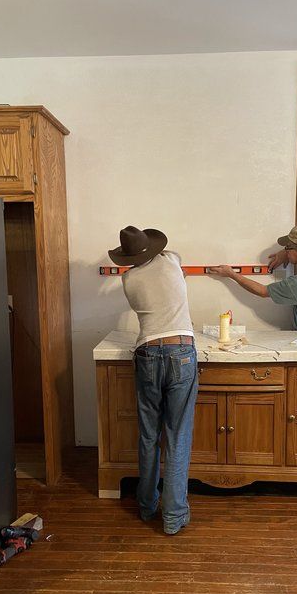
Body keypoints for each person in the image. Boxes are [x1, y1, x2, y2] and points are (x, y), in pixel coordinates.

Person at [108, 226, 198, 535]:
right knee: (177, 436)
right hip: (182, 351)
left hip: (147, 353)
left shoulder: (128, 279)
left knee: (148, 435)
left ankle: (146, 506)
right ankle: (173, 517)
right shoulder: (171, 260)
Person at [209, 223, 297, 332]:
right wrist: (286, 254)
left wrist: (231, 274)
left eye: (288, 247)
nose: (286, 250)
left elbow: (262, 291)